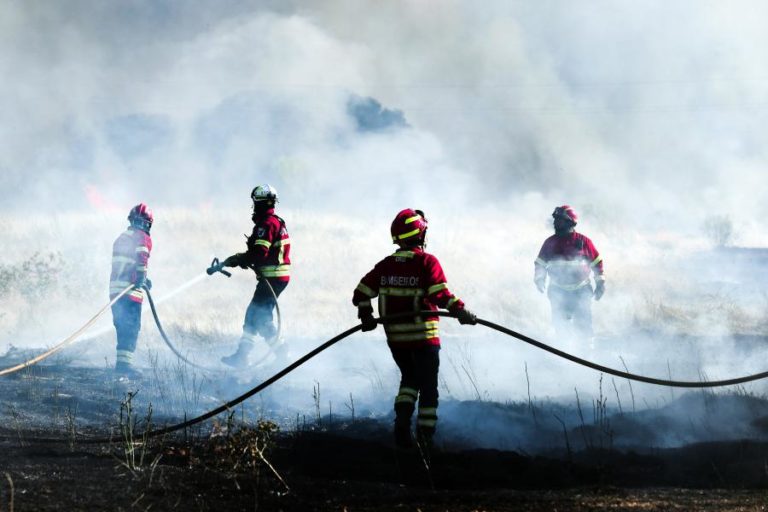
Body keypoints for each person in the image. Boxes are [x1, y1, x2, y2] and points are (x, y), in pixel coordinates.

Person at [352, 208, 476, 450]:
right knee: (428, 388)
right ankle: (425, 438)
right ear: (421, 235)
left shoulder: (386, 265)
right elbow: (439, 294)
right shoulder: (427, 262)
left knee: (409, 379)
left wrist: (366, 315)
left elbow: (361, 293)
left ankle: (402, 422)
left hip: (397, 340)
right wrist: (460, 311)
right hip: (423, 338)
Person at [221, 184, 291, 368]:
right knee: (254, 314)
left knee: (260, 317)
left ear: (258, 203)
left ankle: (282, 354)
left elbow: (260, 252)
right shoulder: (275, 221)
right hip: (276, 277)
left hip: (273, 277)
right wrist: (244, 259)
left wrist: (239, 258)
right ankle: (243, 355)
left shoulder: (267, 224)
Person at [534, 205, 605, 343]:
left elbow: (596, 262)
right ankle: (565, 355)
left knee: (584, 325)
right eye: (555, 219)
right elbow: (540, 263)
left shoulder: (584, 242)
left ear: (569, 222)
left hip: (581, 290)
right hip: (557, 291)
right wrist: (539, 278)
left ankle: (587, 356)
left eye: (559, 220)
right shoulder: (550, 242)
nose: (555, 223)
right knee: (561, 326)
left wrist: (600, 283)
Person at [109, 203, 153, 379]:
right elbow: (142, 257)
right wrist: (141, 277)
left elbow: (126, 263)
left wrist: (142, 279)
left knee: (122, 327)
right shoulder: (142, 237)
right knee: (131, 327)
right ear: (147, 223)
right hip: (130, 293)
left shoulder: (121, 237)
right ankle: (125, 367)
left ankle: (122, 365)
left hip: (115, 292)